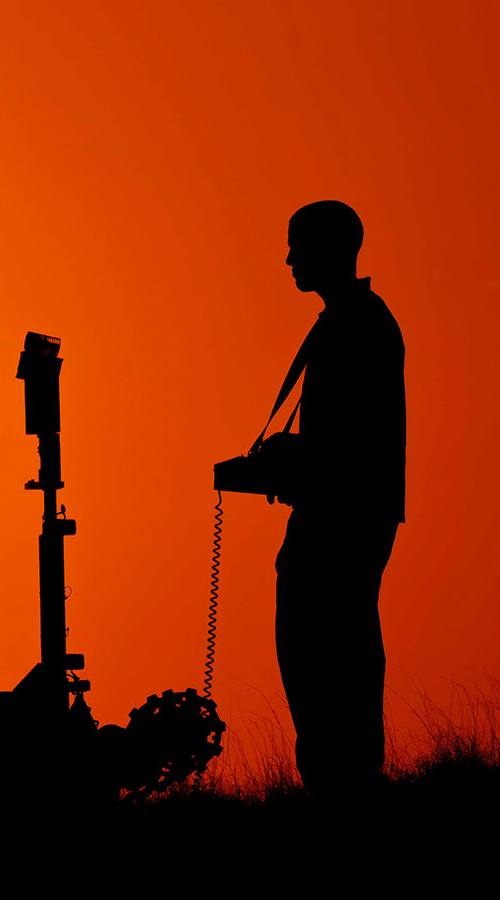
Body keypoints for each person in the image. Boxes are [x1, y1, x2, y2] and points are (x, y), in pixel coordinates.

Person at [273, 200, 405, 796]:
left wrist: (293, 459)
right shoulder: (350, 319)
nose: (289, 259)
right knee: (328, 640)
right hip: (342, 509)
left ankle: (342, 775)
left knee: (332, 644)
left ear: (330, 250)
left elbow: (354, 437)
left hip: (344, 515)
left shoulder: (360, 323)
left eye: (298, 246)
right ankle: (336, 772)